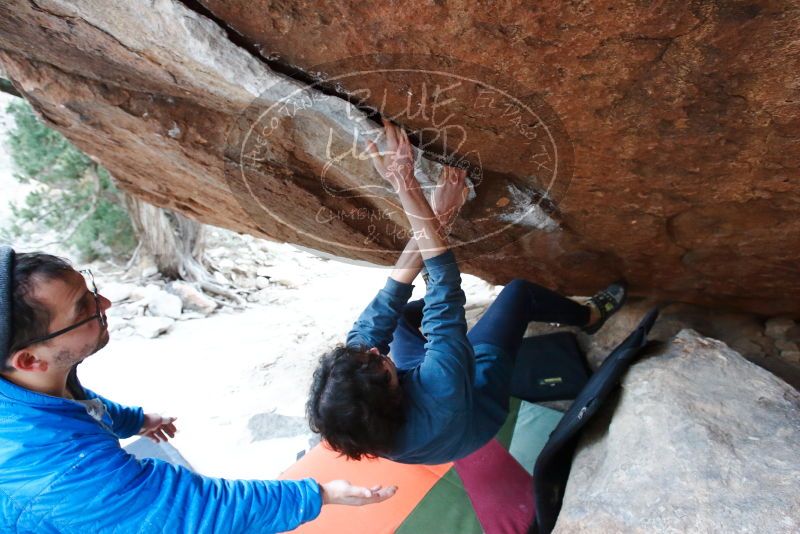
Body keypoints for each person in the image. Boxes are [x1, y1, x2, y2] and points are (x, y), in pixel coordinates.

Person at [0, 246, 396, 533]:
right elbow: (191, 510)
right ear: (30, 360)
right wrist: (319, 494)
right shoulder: (62, 472)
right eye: (83, 309)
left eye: (91, 290)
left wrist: (135, 420)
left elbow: (77, 406)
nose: (104, 301)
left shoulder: (30, 384)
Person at [307, 119, 626, 464]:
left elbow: (392, 292)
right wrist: (405, 183)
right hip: (478, 408)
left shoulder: (352, 406)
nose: (372, 349)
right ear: (389, 394)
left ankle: (440, 251)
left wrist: (439, 216)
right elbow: (446, 284)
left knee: (396, 316)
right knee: (519, 295)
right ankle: (589, 317)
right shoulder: (440, 388)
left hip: (424, 400)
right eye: (377, 362)